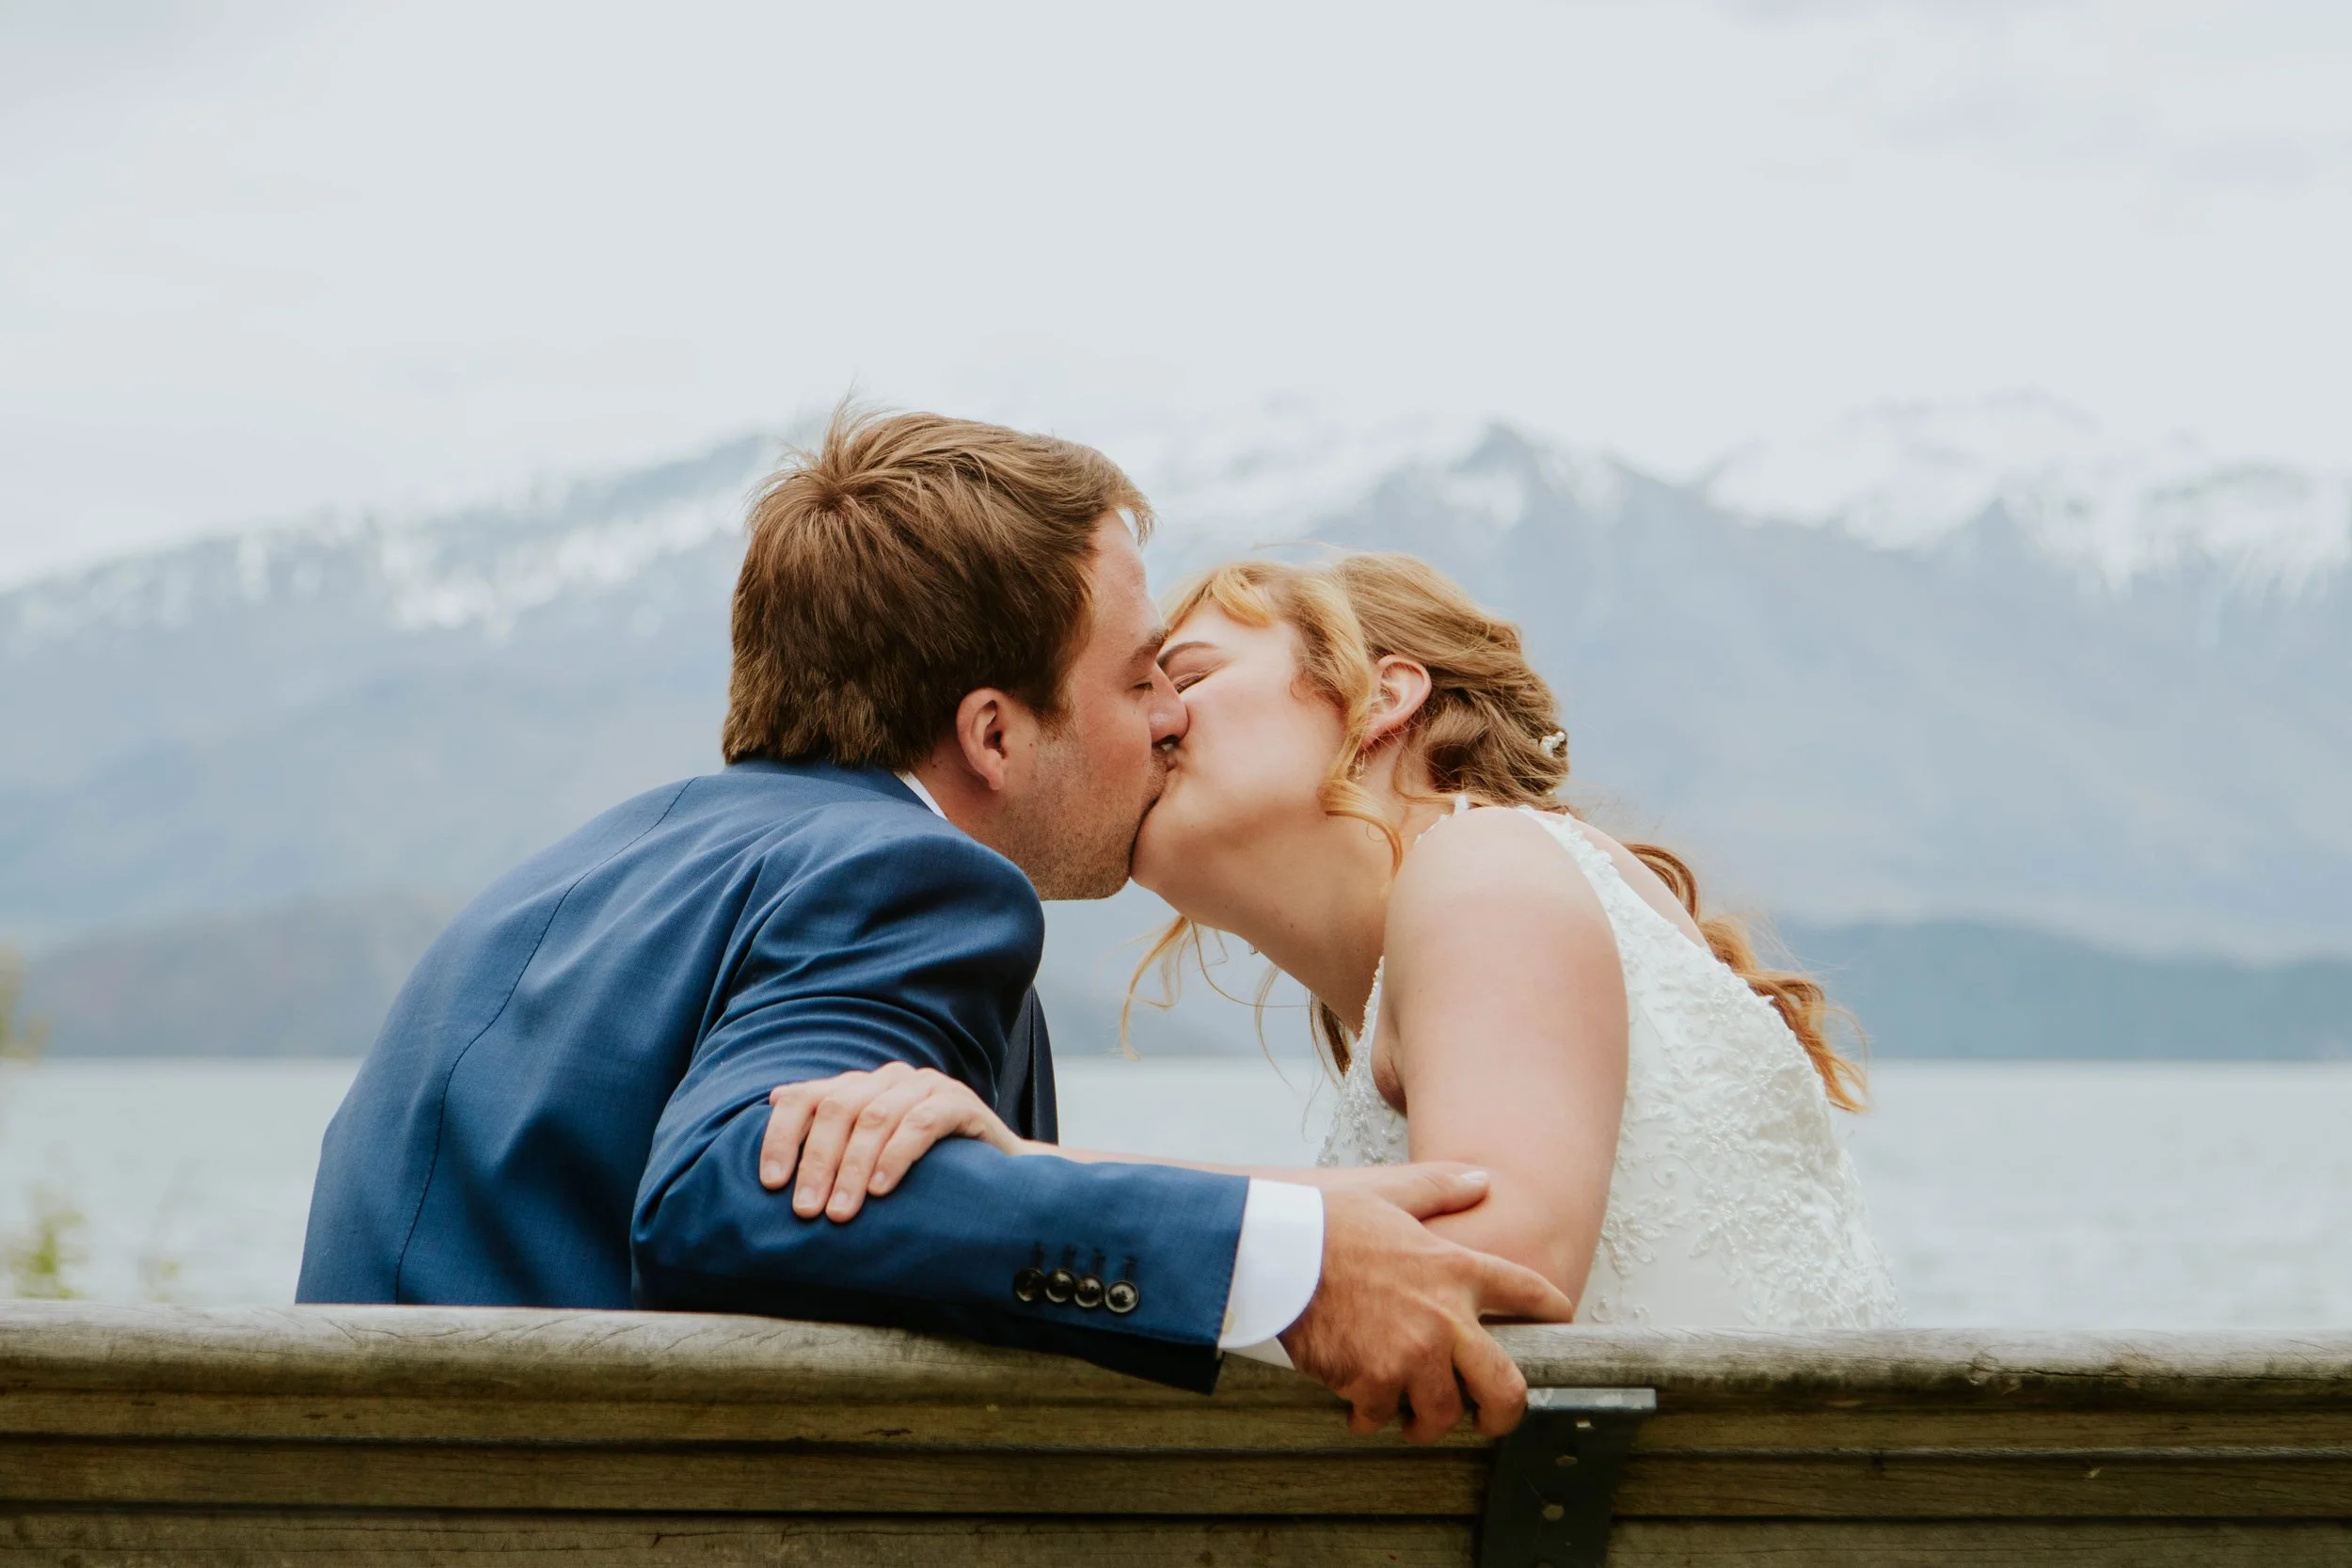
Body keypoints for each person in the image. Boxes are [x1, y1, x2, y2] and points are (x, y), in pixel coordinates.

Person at [297, 410, 1573, 1439]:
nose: (1167, 720)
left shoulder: (565, 882)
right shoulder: (910, 874)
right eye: (1138, 678)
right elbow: (733, 1188)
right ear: (993, 732)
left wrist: (1019, 1177)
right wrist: (1279, 1258)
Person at [767, 552, 1901, 1330]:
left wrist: (1025, 1179)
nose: (1152, 719)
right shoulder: (1453, 932)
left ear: (1382, 695)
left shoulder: (1484, 861)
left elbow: (1505, 1255)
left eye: (1191, 676)